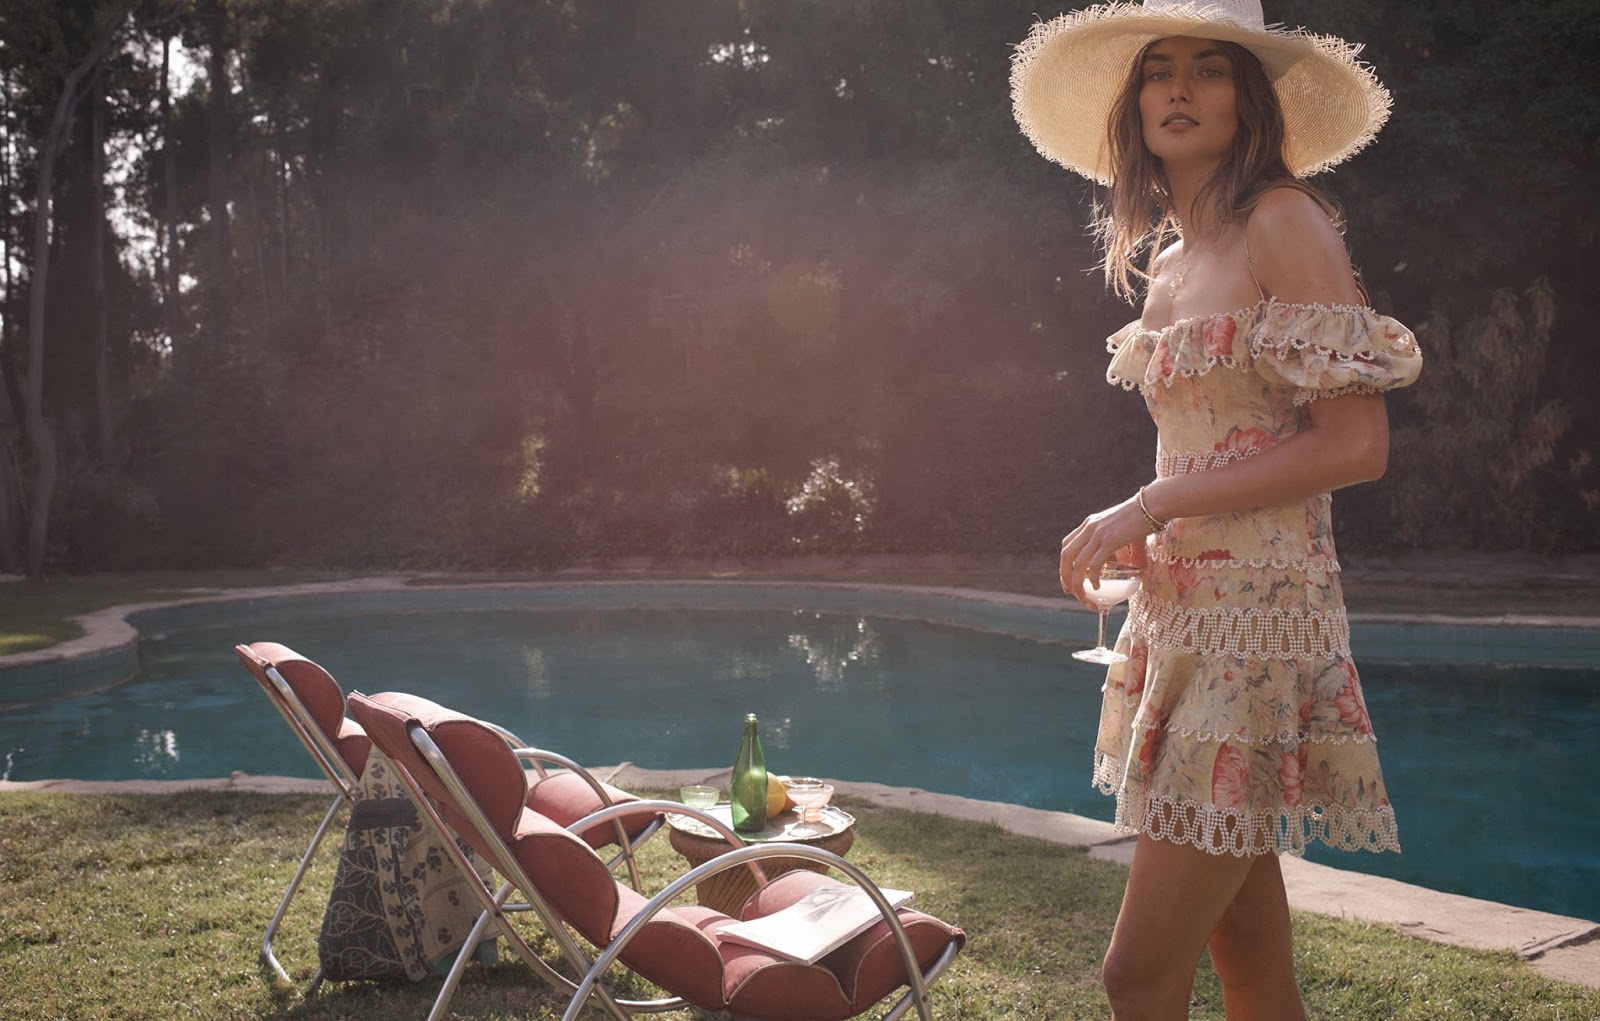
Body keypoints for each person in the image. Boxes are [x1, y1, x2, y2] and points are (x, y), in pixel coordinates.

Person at [1011, 2, 1422, 1018]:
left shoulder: (1283, 220)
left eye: (1209, 68)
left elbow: (1356, 444)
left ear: (1249, 99)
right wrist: (1144, 536)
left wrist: (1147, 505)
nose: (1180, 89)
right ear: (1134, 102)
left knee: (1136, 972)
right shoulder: (1166, 260)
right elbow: (1209, 444)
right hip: (1181, 618)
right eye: (1159, 70)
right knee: (1250, 963)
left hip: (1258, 633)